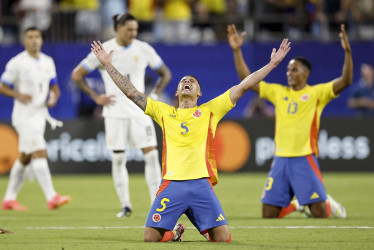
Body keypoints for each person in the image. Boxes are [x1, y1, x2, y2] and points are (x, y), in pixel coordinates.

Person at [90, 36, 291, 241]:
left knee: (223, 239)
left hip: (200, 185)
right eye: (183, 81)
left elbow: (244, 86)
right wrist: (107, 65)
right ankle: (176, 231)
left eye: (192, 82)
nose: (187, 82)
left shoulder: (211, 110)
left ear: (199, 93)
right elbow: (132, 92)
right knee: (150, 237)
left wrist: (272, 64)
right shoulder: (163, 112)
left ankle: (201, 222)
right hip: (172, 183)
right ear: (176, 92)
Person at [227, 23, 352, 218]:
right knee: (268, 214)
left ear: (306, 73)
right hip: (280, 159)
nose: (289, 73)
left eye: (294, 70)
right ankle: (297, 205)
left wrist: (348, 53)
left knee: (321, 215)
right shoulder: (278, 92)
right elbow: (246, 79)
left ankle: (329, 203)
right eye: (288, 70)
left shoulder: (317, 93)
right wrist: (236, 51)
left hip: (305, 157)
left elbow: (345, 81)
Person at [71, 13, 172, 218]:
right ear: (118, 28)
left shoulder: (143, 48)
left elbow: (165, 73)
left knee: (151, 155)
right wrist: (95, 97)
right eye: (129, 29)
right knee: (118, 159)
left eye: (135, 29)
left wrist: (154, 95)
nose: (133, 33)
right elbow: (77, 75)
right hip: (115, 112)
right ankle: (126, 206)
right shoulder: (104, 50)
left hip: (140, 112)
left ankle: (156, 202)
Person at [0, 27, 72, 211]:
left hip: (40, 115)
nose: (34, 40)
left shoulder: (48, 61)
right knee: (40, 151)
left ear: (41, 40)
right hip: (24, 115)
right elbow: (3, 86)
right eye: (30, 37)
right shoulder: (17, 63)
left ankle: (9, 199)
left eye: (37, 37)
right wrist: (18, 94)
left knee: (24, 157)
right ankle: (52, 197)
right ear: (24, 41)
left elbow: (54, 86)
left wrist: (54, 97)